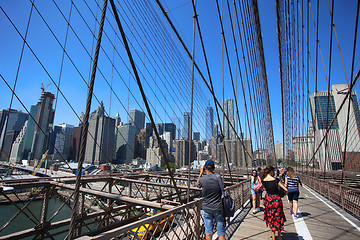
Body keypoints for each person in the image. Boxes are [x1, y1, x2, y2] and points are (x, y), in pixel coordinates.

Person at [197, 160, 225, 240]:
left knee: (208, 233)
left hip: (207, 209)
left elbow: (197, 184)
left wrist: (201, 173)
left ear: (205, 167)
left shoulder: (202, 179)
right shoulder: (218, 177)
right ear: (214, 168)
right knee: (221, 233)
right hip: (218, 208)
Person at [261, 166, 288, 240]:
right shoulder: (276, 180)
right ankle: (279, 236)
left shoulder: (263, 180)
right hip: (276, 200)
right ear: (271, 171)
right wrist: (283, 195)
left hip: (268, 200)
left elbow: (259, 188)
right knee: (278, 217)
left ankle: (273, 238)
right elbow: (286, 190)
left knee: (271, 218)